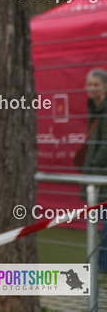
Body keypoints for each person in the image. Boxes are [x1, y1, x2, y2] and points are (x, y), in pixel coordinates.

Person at [83, 68, 107, 272]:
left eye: (96, 85)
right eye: (89, 84)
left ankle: (102, 267)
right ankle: (99, 265)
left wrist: (93, 167)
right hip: (96, 174)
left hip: (101, 175)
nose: (91, 88)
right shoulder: (94, 107)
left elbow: (105, 145)